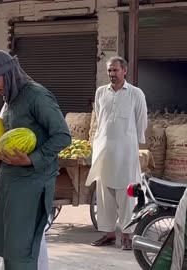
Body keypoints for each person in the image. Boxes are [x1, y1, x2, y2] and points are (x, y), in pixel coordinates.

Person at [0, 50, 71, 270]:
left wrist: (32, 159)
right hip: (11, 184)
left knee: (22, 254)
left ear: (8, 73)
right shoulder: (10, 100)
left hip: (32, 186)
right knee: (9, 251)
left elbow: (63, 136)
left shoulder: (37, 95)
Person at [86, 56, 148, 250]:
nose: (112, 74)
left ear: (125, 71)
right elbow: (99, 120)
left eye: (115, 70)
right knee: (104, 194)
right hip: (104, 150)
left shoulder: (136, 94)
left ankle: (128, 235)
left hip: (126, 152)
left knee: (127, 193)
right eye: (109, 71)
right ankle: (109, 234)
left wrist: (133, 145)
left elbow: (141, 123)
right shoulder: (100, 93)